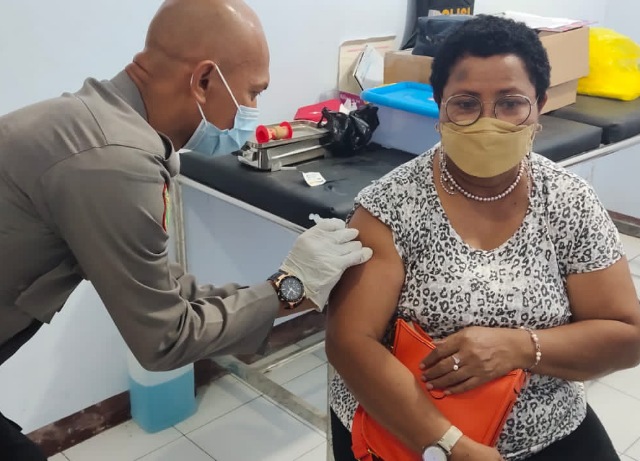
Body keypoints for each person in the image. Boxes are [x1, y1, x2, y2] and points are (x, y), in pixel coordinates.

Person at [0, 0, 372, 459]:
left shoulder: (94, 121)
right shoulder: (114, 164)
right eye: (252, 93)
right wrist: (289, 290)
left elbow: (166, 288)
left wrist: (284, 290)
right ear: (203, 81)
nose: (254, 111)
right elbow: (165, 339)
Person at [326, 15, 640, 461]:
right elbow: (349, 343)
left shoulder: (568, 201)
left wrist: (520, 347)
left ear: (540, 105)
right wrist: (450, 446)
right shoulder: (390, 207)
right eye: (465, 103)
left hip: (547, 424)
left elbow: (626, 338)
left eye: (511, 103)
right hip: (410, 431)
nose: (487, 122)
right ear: (439, 106)